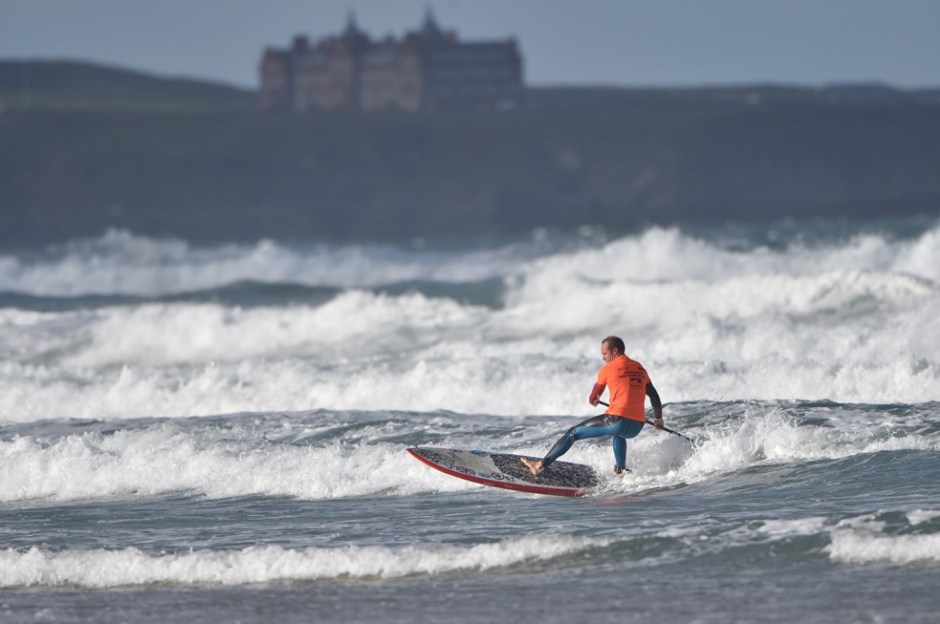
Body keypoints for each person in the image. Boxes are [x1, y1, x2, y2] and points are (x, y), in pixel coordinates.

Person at [521, 336, 663, 476]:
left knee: (573, 433)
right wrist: (658, 419)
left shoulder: (608, 368)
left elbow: (593, 397)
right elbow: (654, 395)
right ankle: (620, 470)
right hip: (637, 425)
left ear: (614, 351)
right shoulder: (639, 368)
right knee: (619, 436)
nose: (603, 358)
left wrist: (594, 400)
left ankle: (540, 465)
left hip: (618, 420)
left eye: (604, 353)